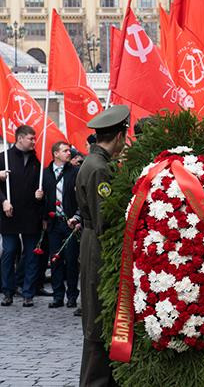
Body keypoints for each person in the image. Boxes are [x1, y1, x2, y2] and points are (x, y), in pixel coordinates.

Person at [75, 105, 129, 386]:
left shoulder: (95, 163)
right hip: (97, 246)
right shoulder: (99, 169)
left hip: (92, 241)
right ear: (119, 136)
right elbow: (105, 219)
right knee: (97, 323)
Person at [0, 125, 44, 307]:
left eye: (34, 139)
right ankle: (8, 291)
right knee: (9, 252)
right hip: (8, 214)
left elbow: (44, 183)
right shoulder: (3, 158)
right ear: (19, 138)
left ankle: (28, 293)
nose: (34, 142)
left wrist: (41, 195)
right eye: (31, 138)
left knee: (32, 255)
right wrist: (3, 201)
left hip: (31, 214)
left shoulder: (37, 161)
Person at [42, 141, 81, 308]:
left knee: (72, 260)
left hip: (70, 222)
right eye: (65, 151)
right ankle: (58, 295)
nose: (69, 153)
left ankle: (72, 295)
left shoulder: (75, 172)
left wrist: (78, 219)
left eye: (69, 150)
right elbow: (42, 200)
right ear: (55, 154)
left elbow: (80, 198)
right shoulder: (45, 174)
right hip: (54, 223)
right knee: (55, 259)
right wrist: (39, 199)